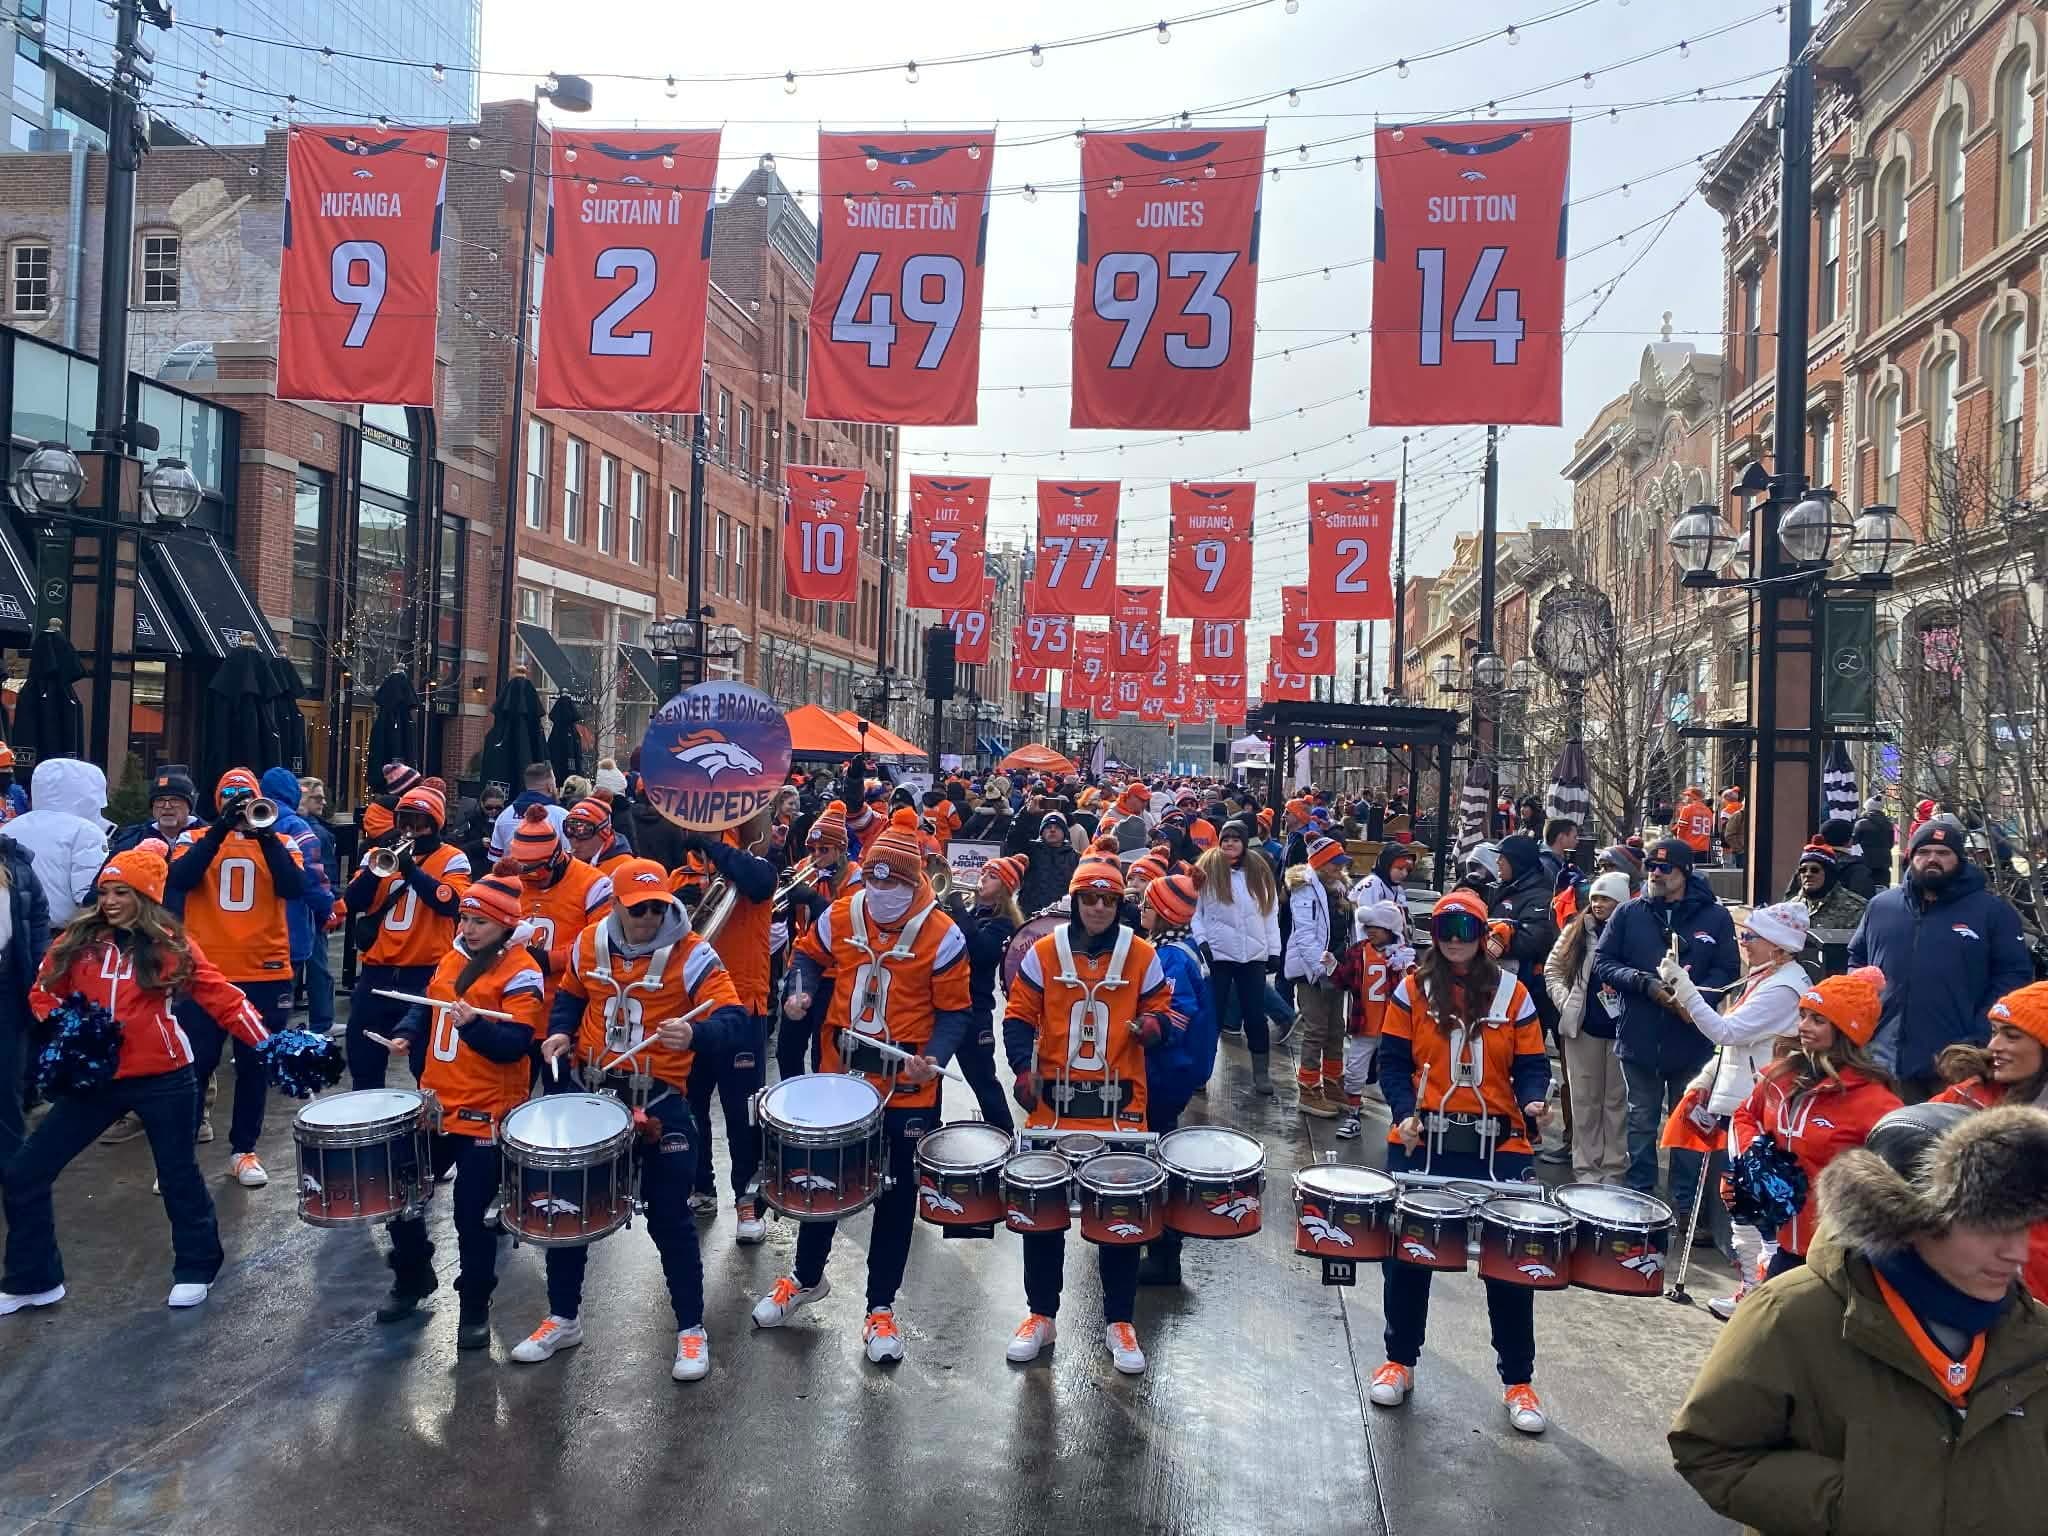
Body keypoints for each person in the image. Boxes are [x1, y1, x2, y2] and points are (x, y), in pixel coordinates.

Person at [1670, 1102, 2048, 1536]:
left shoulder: (2035, 1338)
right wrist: (1858, 1504)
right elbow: (1710, 1450)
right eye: (1989, 1227)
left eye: (2024, 1226)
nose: (2017, 1253)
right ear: (1904, 1217)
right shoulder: (1791, 1315)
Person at [1, 847, 266, 1314]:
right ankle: (33, 1279)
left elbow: (223, 997)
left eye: (121, 891)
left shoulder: (170, 944)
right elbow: (41, 991)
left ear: (144, 896)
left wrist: (268, 1045)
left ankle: (196, 1268)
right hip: (97, 1079)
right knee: (26, 1172)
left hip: (164, 1076)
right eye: (104, 891)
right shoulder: (78, 941)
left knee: (177, 1175)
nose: (109, 901)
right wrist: (68, 1024)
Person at [517, 860, 748, 1378]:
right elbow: (571, 998)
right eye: (638, 907)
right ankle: (563, 1316)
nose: (648, 917)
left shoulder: (692, 955)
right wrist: (560, 1033)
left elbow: (735, 1019)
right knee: (569, 1209)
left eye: (658, 907)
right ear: (617, 905)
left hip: (660, 1099)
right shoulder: (586, 943)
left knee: (670, 1217)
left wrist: (697, 1036)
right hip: (593, 1094)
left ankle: (691, 1329)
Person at [756, 809, 971, 1364]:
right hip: (842, 1073)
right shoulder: (844, 911)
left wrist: (935, 1058)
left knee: (895, 1197)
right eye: (873, 878)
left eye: (892, 882)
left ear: (913, 880)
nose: (880, 891)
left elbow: (954, 1013)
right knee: (820, 1178)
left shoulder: (944, 934)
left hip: (906, 1086)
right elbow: (806, 953)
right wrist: (799, 991)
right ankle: (805, 1278)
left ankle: (880, 1307)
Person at [1369, 889, 1554, 1434]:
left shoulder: (1515, 995)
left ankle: (1518, 1379)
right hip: (1425, 1139)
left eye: (1465, 930)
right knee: (1408, 1257)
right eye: (1446, 930)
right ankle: (1399, 1360)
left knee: (1509, 1265)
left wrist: (1534, 1100)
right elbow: (1394, 1062)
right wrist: (1404, 1111)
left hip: (1498, 1148)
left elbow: (1533, 1066)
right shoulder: (1411, 990)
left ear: (1481, 936)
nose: (1455, 940)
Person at [1001, 852, 1175, 1371]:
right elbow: (1017, 1014)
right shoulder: (1045, 952)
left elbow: (1164, 1012)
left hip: (1120, 1108)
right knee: (1043, 1214)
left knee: (1117, 1218)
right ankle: (1041, 1315)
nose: (1098, 907)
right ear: (1074, 901)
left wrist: (1152, 1029)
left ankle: (1119, 1321)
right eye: (1089, 898)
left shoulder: (1142, 954)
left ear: (1119, 904)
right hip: (1054, 1107)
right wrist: (1021, 1069)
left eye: (1108, 899)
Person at [369, 862, 545, 1351]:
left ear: (506, 926)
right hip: (437, 1105)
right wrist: (406, 1032)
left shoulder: (522, 971)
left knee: (473, 1214)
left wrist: (472, 1026)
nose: (467, 929)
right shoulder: (451, 959)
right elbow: (426, 1007)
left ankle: (473, 1305)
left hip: (487, 1112)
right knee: (400, 1195)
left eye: (479, 922)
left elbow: (514, 1045)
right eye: (465, 920)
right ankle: (412, 1274)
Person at [1661, 901, 1813, 1314]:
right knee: (1741, 1204)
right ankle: (1750, 1288)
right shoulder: (1766, 977)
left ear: (1779, 947)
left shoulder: (1784, 988)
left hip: (1762, 1106)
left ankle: (1762, 1294)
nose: (1743, 942)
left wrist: (1682, 986)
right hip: (1741, 1100)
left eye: (1751, 936)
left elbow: (1726, 1030)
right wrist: (1708, 1077)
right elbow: (1736, 1043)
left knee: (1756, 1206)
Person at [165, 770, 304, 1189]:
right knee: (196, 1063)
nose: (241, 806)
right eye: (232, 798)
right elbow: (181, 879)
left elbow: (293, 886)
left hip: (265, 969)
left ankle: (243, 1150)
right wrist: (221, 827)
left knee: (254, 1065)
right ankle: (179, 1154)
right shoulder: (195, 839)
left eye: (247, 799)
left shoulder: (281, 842)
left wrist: (261, 833)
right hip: (206, 971)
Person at [1593, 837, 1738, 1229]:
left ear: (1684, 873)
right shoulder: (1629, 913)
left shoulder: (1715, 917)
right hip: (1639, 1035)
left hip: (1690, 1040)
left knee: (1688, 1122)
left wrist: (1693, 996)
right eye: (1651, 868)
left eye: (1665, 869)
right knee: (1641, 1120)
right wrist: (1644, 984)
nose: (1655, 874)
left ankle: (1687, 1206)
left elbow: (1728, 971)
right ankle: (1639, 1197)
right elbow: (1604, 963)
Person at [1728, 967, 1901, 1277]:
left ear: (1846, 1031)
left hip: (1837, 1258)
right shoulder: (1781, 1075)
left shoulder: (1876, 1102)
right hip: (1783, 1244)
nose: (1803, 1026)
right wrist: (1755, 1154)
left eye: (1818, 1020)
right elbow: (1746, 1114)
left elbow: (1894, 1184)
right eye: (1804, 1016)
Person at [1847, 815, 2033, 1102]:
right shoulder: (1881, 906)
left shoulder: (1991, 912)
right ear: (1911, 856)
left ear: (1959, 859)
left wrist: (1980, 1034)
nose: (1932, 859)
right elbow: (1857, 957)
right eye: (1924, 852)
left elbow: (2013, 977)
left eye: (1943, 853)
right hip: (1882, 1058)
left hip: (1954, 1063)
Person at [683, 812, 778, 1241]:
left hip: (744, 1006)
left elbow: (758, 882)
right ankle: (701, 1186)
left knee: (743, 1114)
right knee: (690, 1106)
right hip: (692, 1011)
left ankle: (748, 1201)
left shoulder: (755, 873)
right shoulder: (679, 875)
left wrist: (715, 846)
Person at [343, 784, 470, 1090]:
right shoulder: (376, 855)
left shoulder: (453, 858)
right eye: (404, 821)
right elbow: (354, 901)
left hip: (424, 974)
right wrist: (377, 869)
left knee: (426, 1068)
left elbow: (450, 903)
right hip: (377, 973)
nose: (411, 829)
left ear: (434, 824)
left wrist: (411, 869)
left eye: (419, 822)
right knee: (363, 1062)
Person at [1134, 869, 1216, 1285]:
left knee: (1155, 1157)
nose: (1141, 909)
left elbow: (1175, 1015)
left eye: (1148, 904)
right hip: (1176, 1069)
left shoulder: (1170, 958)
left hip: (1167, 1071)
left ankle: (1165, 1252)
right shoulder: (1182, 948)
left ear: (1164, 912)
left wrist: (1145, 1030)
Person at [1543, 871, 1631, 1185]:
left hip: (1623, 1030)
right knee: (1584, 1100)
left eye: (1606, 898)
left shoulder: (1633, 931)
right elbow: (1552, 969)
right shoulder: (1575, 930)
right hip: (1582, 1029)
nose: (1598, 904)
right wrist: (1565, 1002)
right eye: (1594, 897)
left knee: (1616, 1103)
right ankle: (1586, 1171)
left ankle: (1614, 1170)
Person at [1195, 820, 1287, 1091]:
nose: (1230, 844)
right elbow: (1195, 913)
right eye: (1225, 839)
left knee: (1255, 1016)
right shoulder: (1207, 870)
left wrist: (1274, 951)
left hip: (1252, 956)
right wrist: (1203, 943)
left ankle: (1261, 1073)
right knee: (1213, 1015)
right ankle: (1202, 1072)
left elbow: (1269, 914)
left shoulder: (1258, 871)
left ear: (1245, 843)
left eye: (1236, 839)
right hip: (1219, 957)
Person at [772, 801, 856, 1082]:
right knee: (788, 1047)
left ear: (841, 850)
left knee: (824, 1050)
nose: (816, 857)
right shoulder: (802, 868)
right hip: (802, 960)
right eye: (812, 850)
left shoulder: (855, 878)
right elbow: (784, 920)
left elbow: (847, 925)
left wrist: (813, 899)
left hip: (837, 971)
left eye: (824, 850)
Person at [944, 852, 1027, 1131]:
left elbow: (981, 951)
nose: (982, 879)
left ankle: (1004, 1133)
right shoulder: (971, 913)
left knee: (984, 1081)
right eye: (984, 873)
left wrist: (956, 909)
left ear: (1004, 887)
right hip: (947, 1007)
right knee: (929, 1078)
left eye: (991, 876)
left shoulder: (1004, 923)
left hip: (975, 1010)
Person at [258, 769, 333, 1031]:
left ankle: (250, 1044)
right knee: (280, 1002)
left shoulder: (246, 821)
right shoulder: (295, 826)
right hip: (289, 929)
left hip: (248, 932)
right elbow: (314, 879)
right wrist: (327, 910)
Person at [1285, 835, 1353, 1118]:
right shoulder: (1305, 891)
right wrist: (1322, 968)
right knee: (1316, 1028)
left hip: (1336, 967)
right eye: (1335, 864)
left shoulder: (1339, 889)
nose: (1340, 868)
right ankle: (1309, 1088)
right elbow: (1305, 936)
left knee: (1337, 1027)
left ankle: (1333, 1081)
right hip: (1312, 970)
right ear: (1322, 864)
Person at [1333, 899, 1411, 1139]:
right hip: (1364, 1023)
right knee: (1355, 1069)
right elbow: (1344, 979)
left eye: (1376, 929)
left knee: (1395, 1072)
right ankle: (1353, 1114)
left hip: (1393, 1027)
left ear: (1391, 930)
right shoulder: (1358, 951)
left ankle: (1401, 1117)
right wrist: (1332, 968)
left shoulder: (1403, 954)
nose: (1371, 933)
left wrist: (1406, 969)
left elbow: (1415, 991)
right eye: (1368, 929)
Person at [1, 758, 108, 925]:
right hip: (64, 935)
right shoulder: (86, 831)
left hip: (13, 930)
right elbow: (88, 895)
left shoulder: (9, 828)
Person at [0, 838, 51, 1165]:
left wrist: (38, 979)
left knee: (7, 1086)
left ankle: (12, 1168)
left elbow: (36, 921)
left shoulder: (16, 865)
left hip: (8, 987)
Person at [294, 776, 339, 1037]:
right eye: (316, 797)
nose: (323, 801)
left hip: (295, 909)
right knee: (318, 967)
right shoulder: (315, 833)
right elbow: (321, 877)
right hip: (311, 909)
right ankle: (322, 1022)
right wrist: (330, 904)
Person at [1787, 838, 1868, 979]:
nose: (1808, 874)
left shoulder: (1856, 907)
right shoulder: (1790, 908)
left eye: (1815, 870)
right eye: (1803, 870)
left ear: (1829, 873)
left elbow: (1861, 953)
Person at [108, 766, 203, 856]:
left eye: (175, 800)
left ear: (189, 806)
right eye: (160, 800)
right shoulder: (133, 841)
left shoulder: (208, 838)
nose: (167, 806)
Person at [490, 762, 566, 860]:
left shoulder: (504, 816)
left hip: (513, 873)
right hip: (550, 874)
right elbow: (571, 855)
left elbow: (495, 859)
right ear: (550, 786)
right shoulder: (561, 816)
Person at [1352, 841, 1415, 947]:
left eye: (1408, 870)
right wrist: (1366, 951)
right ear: (1386, 865)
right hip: (1367, 949)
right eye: (1399, 868)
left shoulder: (1397, 888)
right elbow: (1364, 921)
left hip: (1385, 947)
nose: (1404, 873)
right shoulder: (1373, 884)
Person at [1015, 811, 1077, 914]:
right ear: (1041, 832)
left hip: (1061, 916)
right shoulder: (1030, 851)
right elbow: (1014, 838)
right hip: (1029, 915)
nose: (1052, 830)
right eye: (1048, 827)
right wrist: (1027, 813)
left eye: (1057, 827)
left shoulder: (1076, 857)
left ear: (1065, 832)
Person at [562, 797, 633, 878]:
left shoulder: (623, 869)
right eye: (570, 830)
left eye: (584, 832)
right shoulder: (567, 862)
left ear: (604, 833)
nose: (574, 842)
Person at [1854, 793, 1896, 890]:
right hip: (1883, 863)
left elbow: (1854, 843)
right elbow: (1891, 843)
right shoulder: (1888, 824)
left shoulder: (1861, 824)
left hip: (1866, 862)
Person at [1672, 787, 1714, 864]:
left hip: (1688, 848)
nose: (1685, 798)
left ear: (1693, 797)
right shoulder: (1709, 812)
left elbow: (1681, 830)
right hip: (1704, 849)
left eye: (1687, 795)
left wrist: (1679, 846)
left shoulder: (1687, 809)